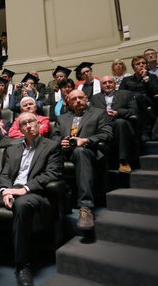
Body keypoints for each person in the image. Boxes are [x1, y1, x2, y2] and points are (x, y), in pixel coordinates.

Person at [0, 112, 62, 286]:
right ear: (19, 129)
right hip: (12, 189)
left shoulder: (51, 146)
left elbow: (52, 174)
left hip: (36, 193)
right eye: (24, 124)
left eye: (31, 122)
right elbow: (4, 174)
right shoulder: (13, 149)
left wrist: (25, 189)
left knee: (21, 205)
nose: (28, 126)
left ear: (38, 123)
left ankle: (22, 265)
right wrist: (6, 191)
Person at [51, 90, 113, 230]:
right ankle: (58, 199)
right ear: (69, 102)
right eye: (74, 99)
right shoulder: (62, 118)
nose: (78, 101)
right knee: (49, 153)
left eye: (80, 97)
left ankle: (85, 207)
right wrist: (61, 142)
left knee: (80, 152)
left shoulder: (99, 113)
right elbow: (54, 136)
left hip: (88, 151)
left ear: (86, 98)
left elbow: (107, 134)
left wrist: (85, 140)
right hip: (65, 152)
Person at [90, 76, 138, 173]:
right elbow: (91, 114)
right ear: (101, 86)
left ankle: (123, 161)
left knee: (120, 122)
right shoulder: (95, 98)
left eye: (110, 82)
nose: (107, 85)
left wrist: (118, 112)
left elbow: (134, 111)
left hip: (121, 124)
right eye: (104, 83)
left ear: (115, 84)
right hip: (103, 125)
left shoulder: (126, 94)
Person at [119, 56, 158, 141]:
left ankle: (145, 131)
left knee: (138, 96)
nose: (141, 65)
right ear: (133, 67)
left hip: (148, 102)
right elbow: (121, 94)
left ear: (147, 65)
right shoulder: (126, 80)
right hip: (131, 103)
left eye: (143, 63)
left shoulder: (152, 77)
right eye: (138, 64)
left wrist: (146, 78)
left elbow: (156, 91)